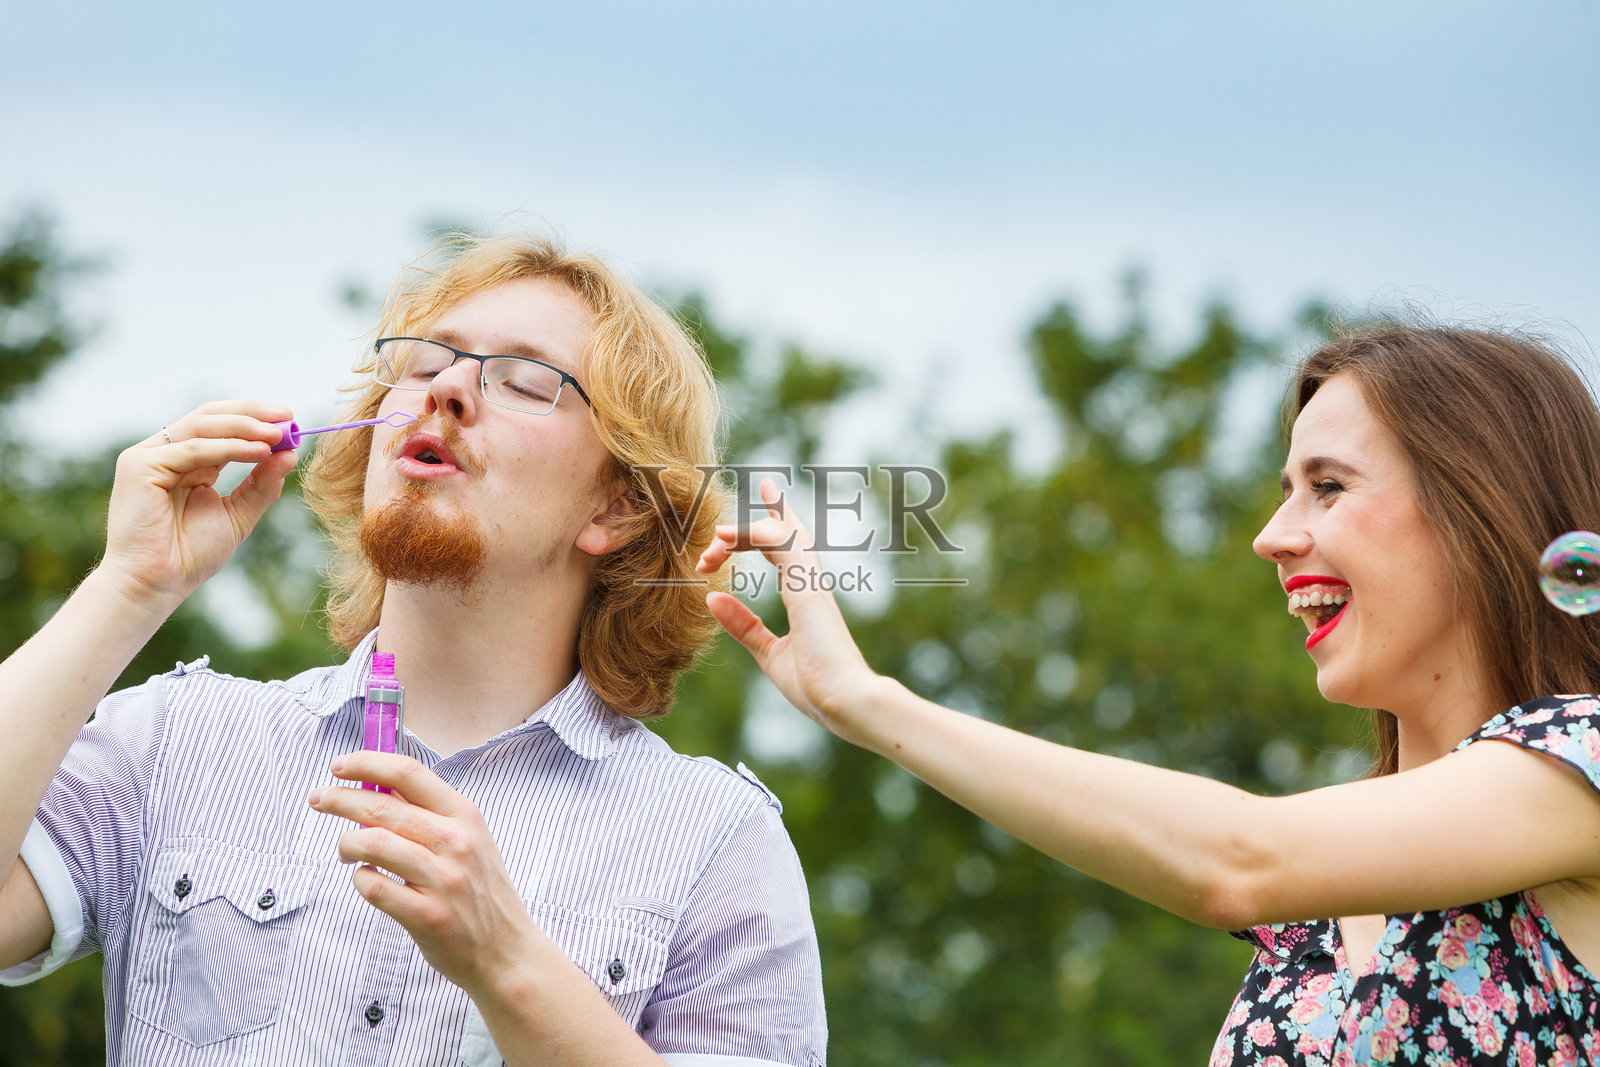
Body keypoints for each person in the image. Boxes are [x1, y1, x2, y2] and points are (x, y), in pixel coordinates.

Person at [0, 232, 826, 1066]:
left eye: (527, 380)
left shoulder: (716, 844)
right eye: (428, 361)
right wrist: (130, 584)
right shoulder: (179, 739)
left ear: (613, 510)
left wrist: (508, 965)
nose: (452, 387)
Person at [697, 322, 1600, 1064]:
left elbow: (1237, 861)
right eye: (1286, 490)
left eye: (1328, 487)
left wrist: (865, 700)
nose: (1272, 536)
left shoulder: (1582, 764)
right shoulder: (1321, 903)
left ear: (1477, 507)